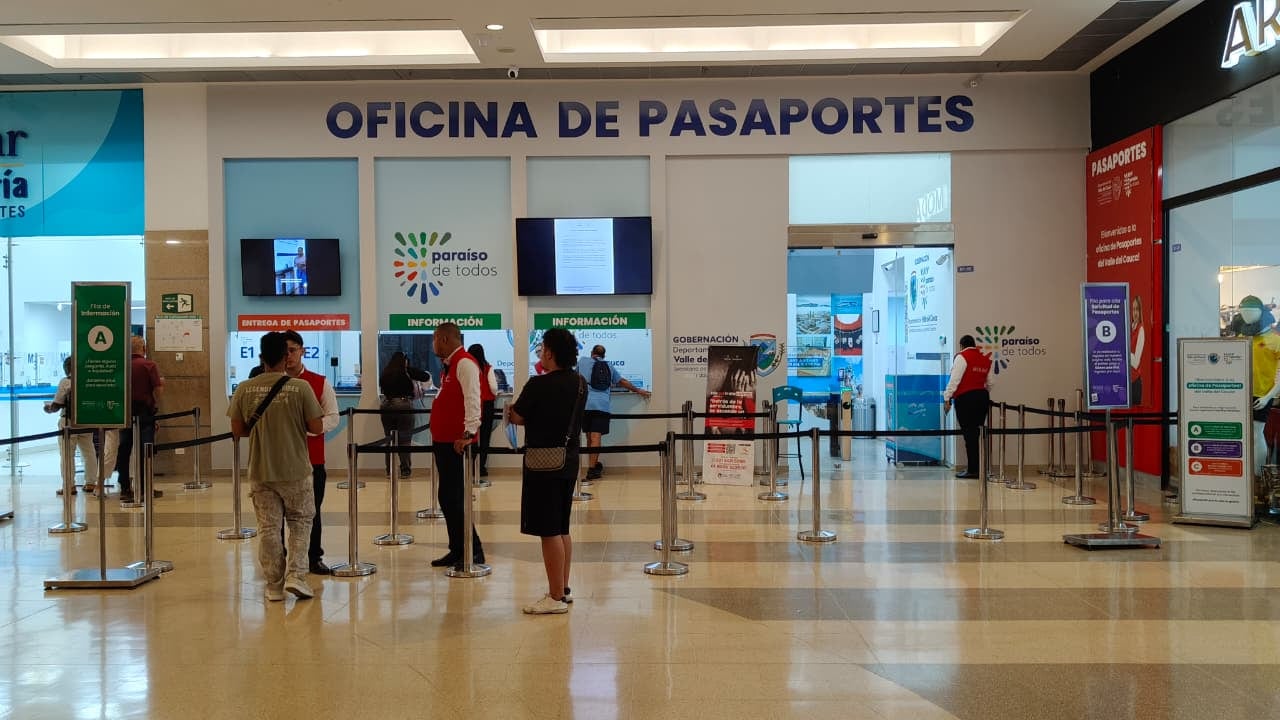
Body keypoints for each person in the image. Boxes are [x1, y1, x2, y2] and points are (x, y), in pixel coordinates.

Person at [228, 331, 324, 602]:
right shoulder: (301, 387)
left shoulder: (244, 388)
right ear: (285, 357)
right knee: (301, 522)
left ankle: (273, 584)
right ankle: (297, 576)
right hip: (295, 469)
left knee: (269, 528)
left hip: (261, 469)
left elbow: (238, 431)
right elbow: (316, 426)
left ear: (261, 357)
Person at [507, 327, 587, 615]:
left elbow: (518, 416)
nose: (540, 350)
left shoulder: (537, 384)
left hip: (543, 462)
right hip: (569, 460)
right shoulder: (580, 383)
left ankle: (554, 597)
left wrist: (510, 411)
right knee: (562, 526)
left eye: (542, 347)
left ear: (550, 352)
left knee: (549, 530)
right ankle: (562, 589)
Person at [429, 322, 485, 569]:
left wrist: (468, 433)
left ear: (443, 339)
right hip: (443, 441)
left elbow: (474, 399)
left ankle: (472, 550)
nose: (433, 344)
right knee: (447, 497)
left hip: (457, 444)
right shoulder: (448, 367)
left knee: (456, 498)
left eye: (434, 339)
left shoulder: (464, 363)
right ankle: (457, 548)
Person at [283, 330, 340, 575]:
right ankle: (280, 557)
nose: (288, 356)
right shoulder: (269, 382)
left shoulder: (319, 382)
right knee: (278, 514)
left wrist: (310, 430)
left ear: (302, 350)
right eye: (284, 351)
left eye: (293, 350)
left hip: (312, 459)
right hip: (279, 460)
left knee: (312, 510)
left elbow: (333, 416)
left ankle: (313, 556)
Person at [576, 344, 651, 480]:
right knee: (596, 437)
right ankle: (592, 469)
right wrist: (638, 390)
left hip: (585, 405)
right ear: (604, 355)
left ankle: (592, 465)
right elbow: (621, 381)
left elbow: (575, 378)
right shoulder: (609, 366)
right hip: (602, 405)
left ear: (592, 352)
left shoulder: (582, 361)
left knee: (589, 436)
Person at [116, 335, 164, 504]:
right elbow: (158, 390)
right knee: (146, 450)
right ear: (143, 348)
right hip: (145, 413)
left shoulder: (121, 366)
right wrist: (156, 409)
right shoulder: (149, 365)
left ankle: (124, 487)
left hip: (125, 413)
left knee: (124, 449)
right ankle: (145, 487)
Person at [942, 334, 993, 479]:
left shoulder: (962, 356)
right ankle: (978, 467)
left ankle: (973, 469)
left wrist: (947, 398)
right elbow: (991, 382)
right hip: (982, 397)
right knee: (977, 433)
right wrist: (980, 392)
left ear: (961, 345)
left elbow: (954, 380)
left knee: (968, 434)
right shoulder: (985, 359)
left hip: (966, 398)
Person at [45, 357, 96, 496]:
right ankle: (91, 482)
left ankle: (69, 485)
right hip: (87, 421)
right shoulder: (89, 380)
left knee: (67, 455)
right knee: (89, 452)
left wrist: (48, 408)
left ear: (67, 368)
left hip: (68, 423)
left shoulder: (66, 382)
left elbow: (57, 404)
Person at [378, 351, 431, 478]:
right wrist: (408, 368)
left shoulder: (386, 372)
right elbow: (425, 377)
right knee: (405, 441)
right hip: (403, 405)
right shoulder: (406, 371)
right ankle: (405, 470)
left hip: (386, 405)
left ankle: (389, 471)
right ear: (404, 361)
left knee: (389, 440)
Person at [467, 343, 500, 477]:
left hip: (471, 403)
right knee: (485, 436)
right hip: (486, 405)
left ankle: (469, 465)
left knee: (471, 435)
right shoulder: (488, 368)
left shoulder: (468, 368)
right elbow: (493, 387)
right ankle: (481, 468)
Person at [1129, 295, 1145, 406]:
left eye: (1137, 309)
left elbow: (1136, 363)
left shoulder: (1141, 329)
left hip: (1135, 383)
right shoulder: (1129, 327)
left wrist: (1123, 350)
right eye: (1133, 309)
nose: (1135, 313)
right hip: (1125, 381)